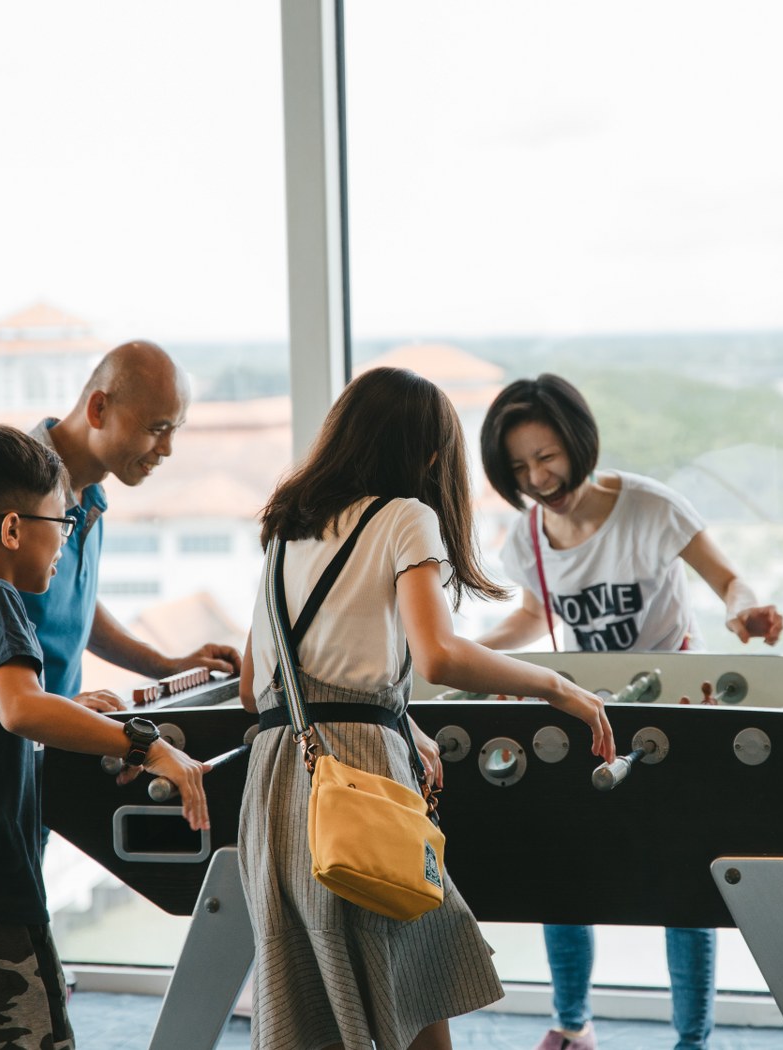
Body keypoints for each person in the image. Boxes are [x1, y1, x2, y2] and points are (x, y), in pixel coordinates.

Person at [236, 367, 616, 1050]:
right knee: (406, 972)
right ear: (431, 454)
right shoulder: (406, 517)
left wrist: (399, 721)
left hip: (275, 778)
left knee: (315, 994)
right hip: (357, 775)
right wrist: (556, 687)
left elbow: (256, 686)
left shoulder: (284, 527)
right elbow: (438, 655)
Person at [0, 424, 211, 1049]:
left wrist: (68, 708)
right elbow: (20, 712)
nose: (67, 538)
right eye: (62, 521)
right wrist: (146, 745)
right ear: (12, 529)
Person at [477, 373, 783, 1050]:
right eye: (520, 466)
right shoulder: (526, 535)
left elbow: (726, 580)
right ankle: (571, 1024)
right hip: (586, 710)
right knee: (564, 871)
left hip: (673, 708)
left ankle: (691, 1040)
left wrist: (743, 612)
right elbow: (534, 615)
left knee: (684, 881)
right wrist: (461, 652)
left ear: (577, 441)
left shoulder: (648, 507)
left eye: (547, 457)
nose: (538, 477)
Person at [0, 340, 239, 709]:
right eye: (157, 428)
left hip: (45, 741)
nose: (167, 448)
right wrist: (49, 708)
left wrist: (165, 665)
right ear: (98, 409)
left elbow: (70, 611)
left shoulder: (89, 497)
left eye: (175, 429)